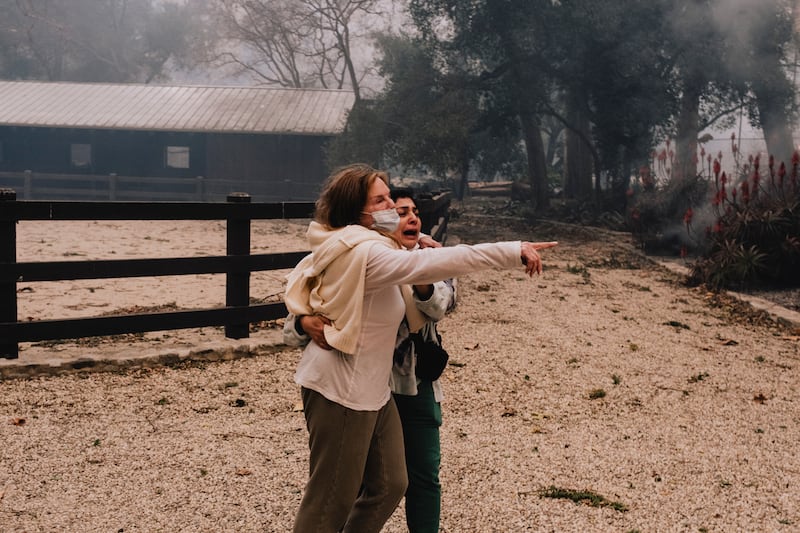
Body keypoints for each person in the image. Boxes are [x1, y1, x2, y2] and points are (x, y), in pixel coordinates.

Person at [283, 163, 557, 533]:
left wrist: (412, 243)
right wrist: (512, 251)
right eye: (380, 201)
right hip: (341, 391)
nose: (391, 207)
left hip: (374, 392)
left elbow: (425, 275)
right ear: (356, 212)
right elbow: (439, 261)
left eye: (389, 197)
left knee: (391, 484)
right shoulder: (365, 253)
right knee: (329, 503)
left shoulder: (369, 244)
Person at [285, 188, 455, 532]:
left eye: (414, 212)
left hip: (415, 382)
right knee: (355, 483)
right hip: (362, 385)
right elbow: (295, 324)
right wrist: (304, 322)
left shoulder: (431, 260)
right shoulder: (355, 259)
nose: (409, 217)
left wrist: (420, 266)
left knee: (421, 475)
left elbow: (440, 306)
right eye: (398, 211)